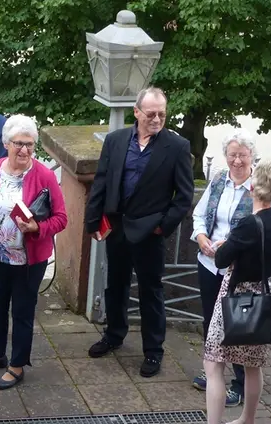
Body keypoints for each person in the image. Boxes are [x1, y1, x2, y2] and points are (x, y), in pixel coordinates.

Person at [84, 87, 194, 377]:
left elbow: (184, 196)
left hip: (149, 232)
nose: (157, 119)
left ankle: (153, 351)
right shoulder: (116, 140)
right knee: (115, 284)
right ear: (136, 112)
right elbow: (102, 182)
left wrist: (162, 226)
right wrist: (92, 222)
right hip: (117, 226)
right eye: (151, 114)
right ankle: (114, 335)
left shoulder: (177, 146)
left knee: (151, 292)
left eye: (162, 114)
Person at [0, 115, 67, 389]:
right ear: (6, 144)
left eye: (29, 144)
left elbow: (61, 218)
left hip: (28, 261)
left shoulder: (44, 175)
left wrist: (37, 227)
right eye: (18, 144)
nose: (24, 150)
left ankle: (17, 365)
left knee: (22, 312)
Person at [204, 159, 271, 424]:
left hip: (235, 295)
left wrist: (226, 244)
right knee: (252, 364)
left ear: (253, 186)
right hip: (262, 294)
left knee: (214, 363)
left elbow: (221, 260)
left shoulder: (249, 223)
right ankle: (247, 419)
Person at [191, 129, 265, 406]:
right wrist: (201, 237)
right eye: (232, 155)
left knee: (238, 327)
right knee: (211, 321)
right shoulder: (219, 180)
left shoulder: (260, 186)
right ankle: (213, 374)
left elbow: (265, 227)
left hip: (239, 271)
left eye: (242, 155)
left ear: (252, 156)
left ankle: (240, 384)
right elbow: (200, 214)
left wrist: (232, 246)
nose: (237, 161)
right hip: (209, 264)